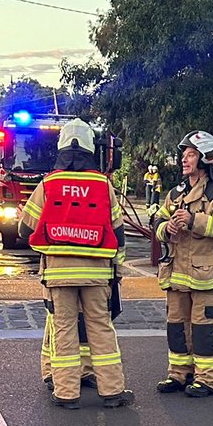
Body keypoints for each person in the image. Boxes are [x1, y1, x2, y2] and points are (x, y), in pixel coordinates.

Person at [19, 118, 134, 408]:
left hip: (59, 273)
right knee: (101, 329)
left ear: (62, 148)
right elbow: (118, 235)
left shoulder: (49, 184)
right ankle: (112, 391)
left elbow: (25, 229)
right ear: (89, 148)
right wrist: (116, 271)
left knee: (64, 331)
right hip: (96, 274)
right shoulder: (103, 185)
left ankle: (66, 393)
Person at [155, 130, 213, 397]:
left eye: (190, 155)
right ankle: (179, 374)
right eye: (184, 155)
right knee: (176, 327)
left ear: (205, 158)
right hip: (176, 275)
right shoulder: (175, 192)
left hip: (206, 276)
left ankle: (208, 379)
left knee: (203, 330)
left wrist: (193, 221)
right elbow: (155, 222)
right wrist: (167, 228)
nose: (184, 160)